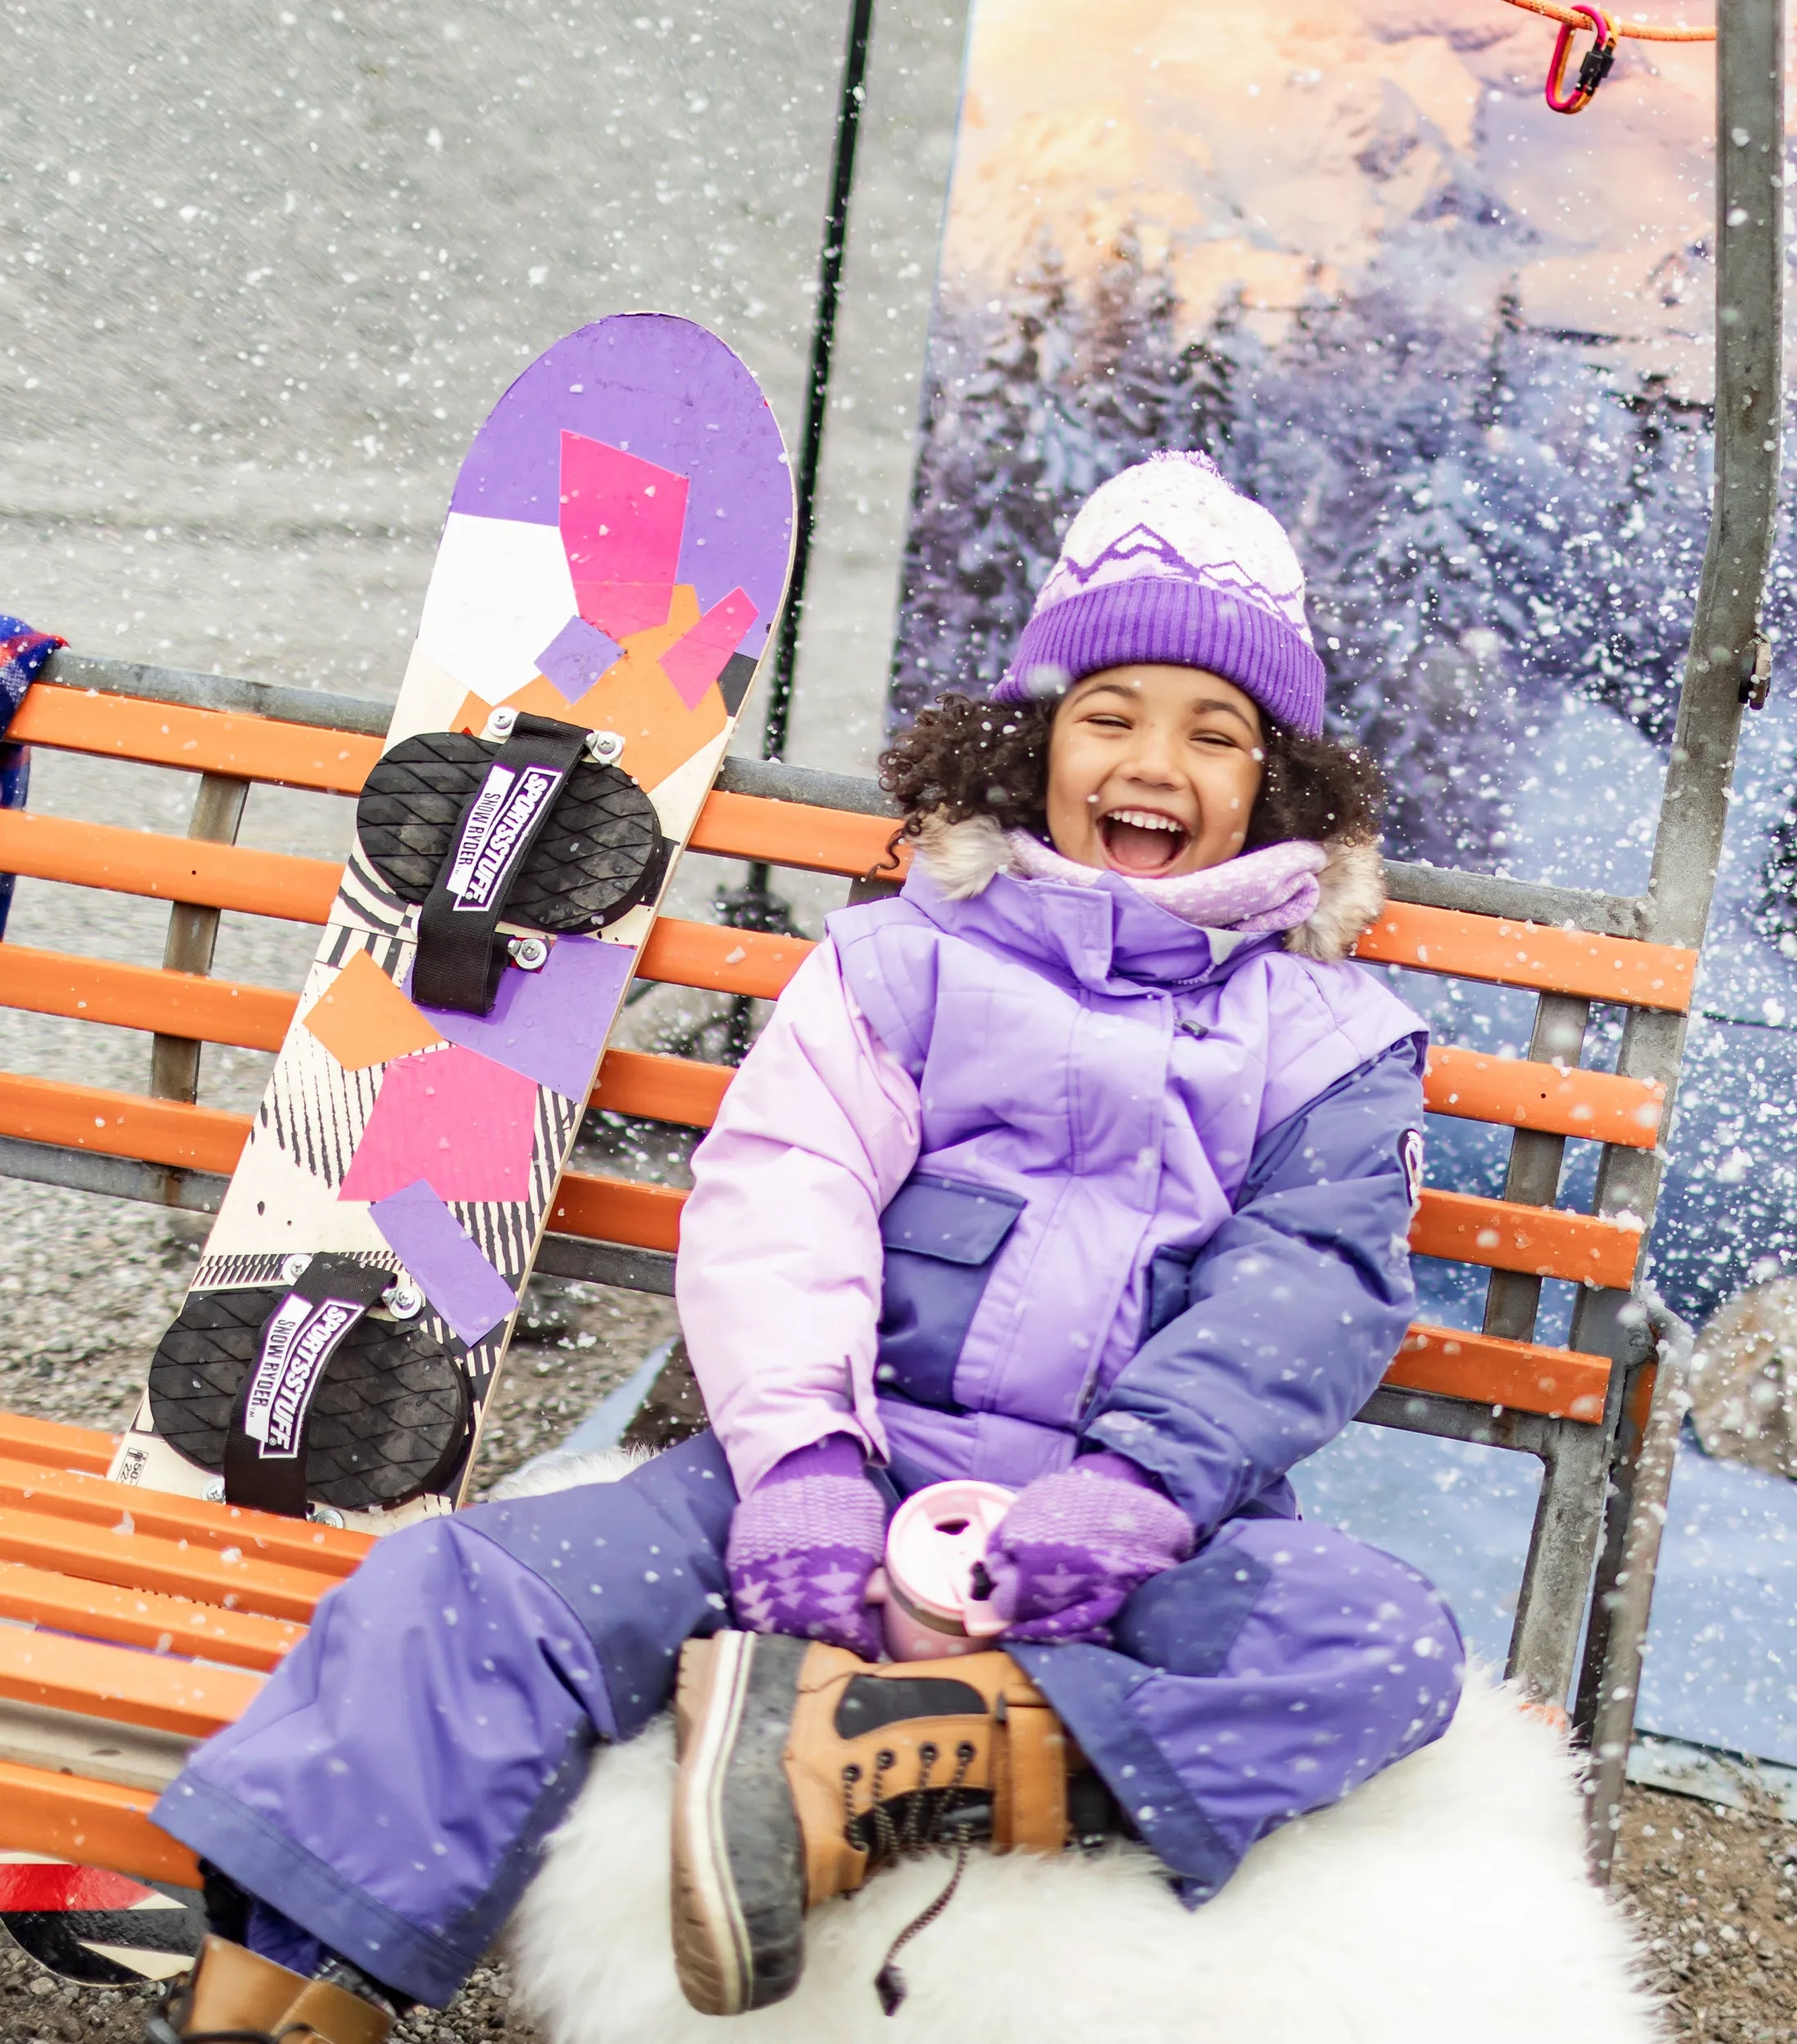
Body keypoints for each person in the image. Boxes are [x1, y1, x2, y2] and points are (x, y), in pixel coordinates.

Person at [147, 452, 1463, 2042]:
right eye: (1108, 713)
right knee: (457, 1594)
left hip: (1131, 1537)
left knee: (1376, 1642)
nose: (1154, 762)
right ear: (1035, 739)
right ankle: (259, 2019)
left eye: (1215, 731)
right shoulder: (902, 962)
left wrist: (1142, 1487)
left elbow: (1307, 1285)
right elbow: (784, 1195)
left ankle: (867, 1752)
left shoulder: (1328, 1038)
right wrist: (803, 1465)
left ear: (1277, 782)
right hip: (835, 1479)